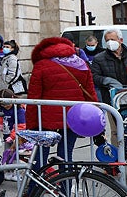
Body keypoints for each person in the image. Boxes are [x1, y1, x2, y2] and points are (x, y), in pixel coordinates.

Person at [26, 36, 97, 167]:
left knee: (40, 154)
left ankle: (37, 186)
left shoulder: (41, 65)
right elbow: (90, 93)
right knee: (66, 155)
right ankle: (66, 185)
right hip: (74, 116)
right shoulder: (81, 63)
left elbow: (33, 98)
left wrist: (31, 124)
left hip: (46, 118)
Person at [89, 28, 127, 107]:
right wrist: (107, 81)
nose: (110, 42)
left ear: (120, 40)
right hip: (110, 100)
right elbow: (94, 76)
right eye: (107, 40)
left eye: (112, 39)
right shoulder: (99, 58)